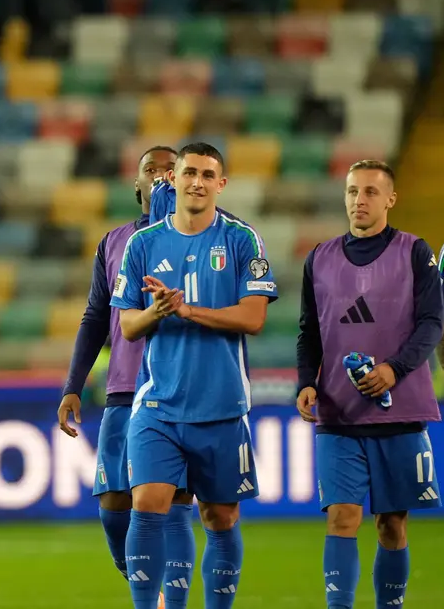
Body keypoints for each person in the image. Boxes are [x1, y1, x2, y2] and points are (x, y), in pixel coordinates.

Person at [110, 142, 276, 609]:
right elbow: (127, 326)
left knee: (220, 517)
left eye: (208, 174)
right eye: (189, 173)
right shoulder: (142, 244)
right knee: (146, 505)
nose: (197, 182)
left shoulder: (243, 240)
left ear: (221, 184)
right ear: (175, 180)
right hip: (159, 405)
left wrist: (187, 309)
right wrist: (158, 311)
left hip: (222, 406)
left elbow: (253, 318)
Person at [295, 160, 442, 609]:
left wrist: (395, 369)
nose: (360, 199)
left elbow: (433, 323)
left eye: (372, 192)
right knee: (341, 516)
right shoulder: (318, 258)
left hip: (398, 412)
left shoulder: (415, 252)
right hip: (338, 413)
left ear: (390, 199)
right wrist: (307, 382)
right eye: (353, 191)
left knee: (391, 525)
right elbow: (309, 332)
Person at [58, 146, 198, 609]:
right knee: (114, 507)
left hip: (179, 388)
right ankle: (150, 592)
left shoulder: (200, 235)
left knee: (173, 501)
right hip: (124, 389)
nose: (159, 177)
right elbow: (96, 318)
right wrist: (73, 385)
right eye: (150, 170)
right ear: (135, 184)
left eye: (168, 170)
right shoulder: (113, 242)